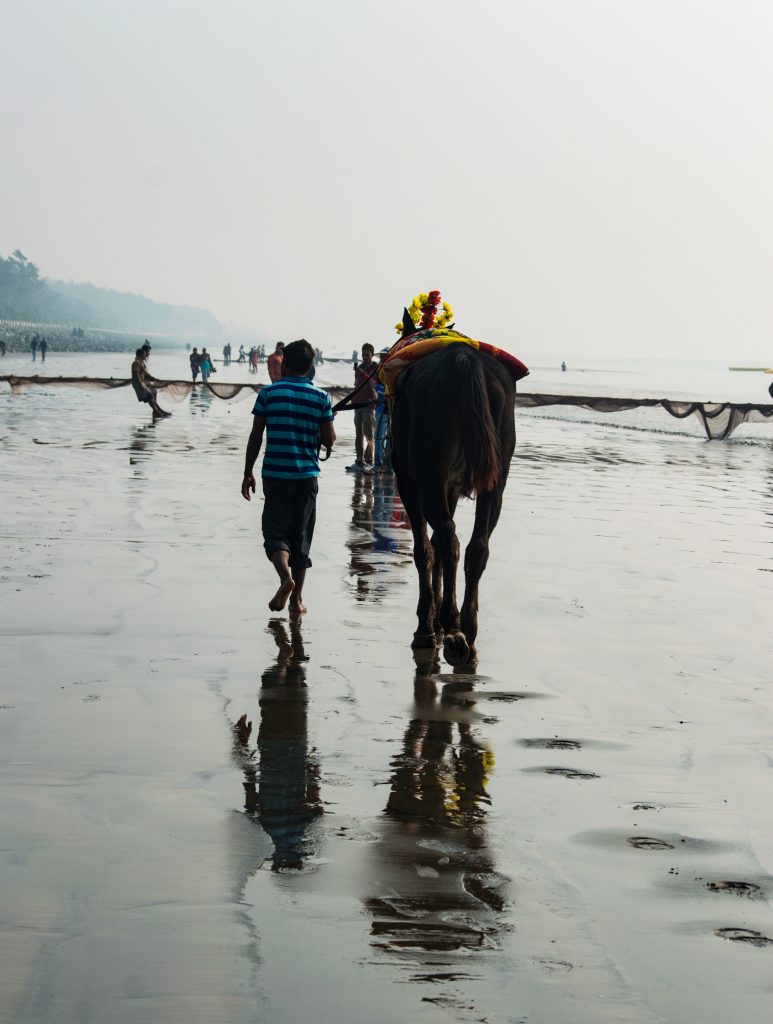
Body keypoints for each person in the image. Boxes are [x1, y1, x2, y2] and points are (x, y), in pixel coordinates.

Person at [241, 339, 335, 615]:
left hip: (276, 475)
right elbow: (329, 441)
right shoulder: (321, 398)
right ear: (309, 367)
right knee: (301, 537)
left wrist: (247, 472)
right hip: (306, 477)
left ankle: (285, 579)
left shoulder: (268, 394)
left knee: (275, 533)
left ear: (285, 364)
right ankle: (297, 601)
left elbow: (256, 435)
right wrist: (321, 425)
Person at [347, 343, 377, 473]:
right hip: (358, 405)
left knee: (369, 434)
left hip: (369, 405)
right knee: (358, 434)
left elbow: (373, 384)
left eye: (367, 355)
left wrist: (362, 373)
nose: (365, 357)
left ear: (372, 355)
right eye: (363, 354)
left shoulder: (375, 367)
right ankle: (359, 460)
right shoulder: (360, 367)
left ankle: (369, 460)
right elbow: (356, 385)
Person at [131, 347, 170, 419]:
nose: (146, 355)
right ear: (140, 354)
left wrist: (155, 379)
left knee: (150, 396)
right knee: (150, 397)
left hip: (141, 383)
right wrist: (140, 385)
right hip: (138, 383)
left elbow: (146, 375)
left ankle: (158, 411)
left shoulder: (141, 362)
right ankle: (157, 412)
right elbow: (136, 375)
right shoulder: (136, 363)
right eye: (144, 354)